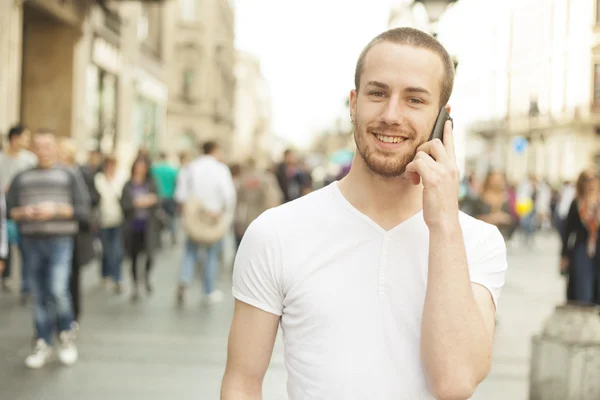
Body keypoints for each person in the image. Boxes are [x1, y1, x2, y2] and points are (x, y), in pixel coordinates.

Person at [222, 27, 508, 399]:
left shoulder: (475, 242)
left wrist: (443, 224)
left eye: (415, 100)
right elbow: (242, 380)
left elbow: (454, 382)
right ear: (354, 103)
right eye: (377, 93)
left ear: (443, 119)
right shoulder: (276, 233)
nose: (391, 115)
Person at [6, 129, 89, 369]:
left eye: (48, 146)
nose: (43, 151)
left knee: (57, 290)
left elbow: (83, 211)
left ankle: (65, 334)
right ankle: (42, 340)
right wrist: (24, 213)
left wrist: (56, 210)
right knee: (39, 294)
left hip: (60, 240)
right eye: (38, 146)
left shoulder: (69, 175)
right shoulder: (22, 177)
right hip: (31, 241)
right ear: (33, 149)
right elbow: (10, 209)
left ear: (55, 148)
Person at [175, 141, 236, 306]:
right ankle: (208, 290)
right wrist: (222, 211)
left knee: (190, 251)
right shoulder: (220, 169)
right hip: (213, 217)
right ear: (215, 150)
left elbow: (180, 195)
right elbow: (228, 195)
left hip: (194, 217)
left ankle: (185, 280)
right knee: (211, 255)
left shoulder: (190, 167)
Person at [120, 157, 160, 302]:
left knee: (150, 255)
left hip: (148, 226)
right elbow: (124, 203)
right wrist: (136, 203)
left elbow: (157, 200)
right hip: (133, 226)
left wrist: (150, 201)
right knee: (134, 257)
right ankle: (135, 284)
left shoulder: (151, 183)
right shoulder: (128, 185)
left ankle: (146, 277)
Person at [560, 170, 600, 304]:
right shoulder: (577, 203)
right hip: (582, 249)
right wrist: (564, 254)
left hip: (598, 249)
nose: (591, 183)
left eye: (594, 178)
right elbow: (567, 231)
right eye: (586, 180)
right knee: (584, 289)